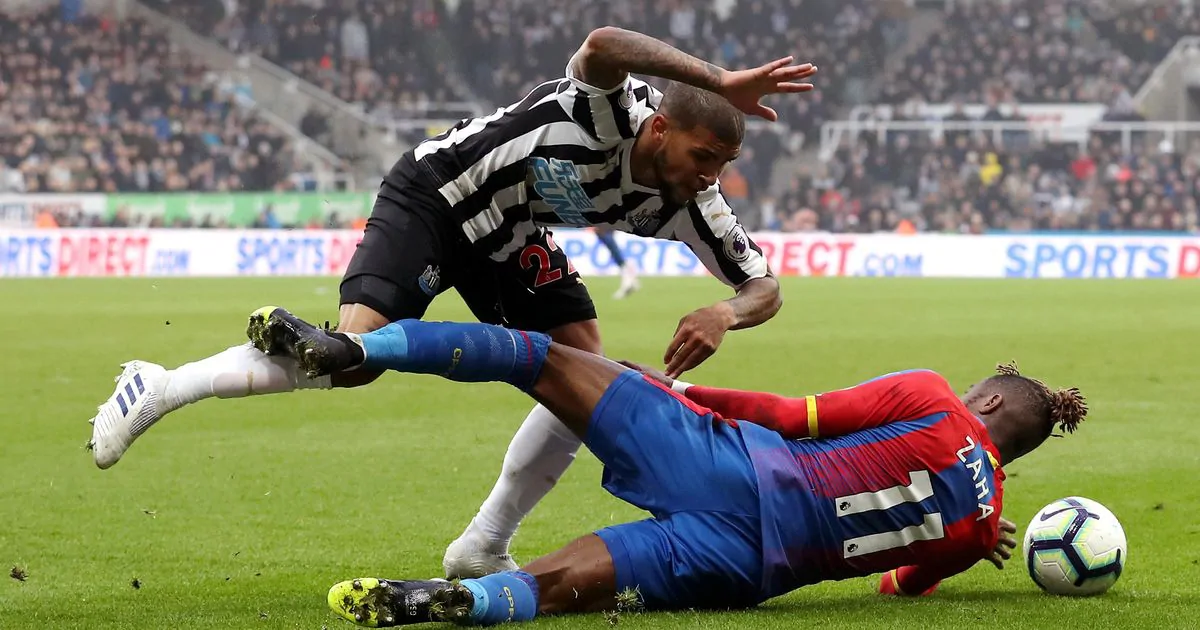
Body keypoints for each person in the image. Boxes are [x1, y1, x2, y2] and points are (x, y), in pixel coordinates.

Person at [86, 27, 818, 579]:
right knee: (354, 359)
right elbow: (602, 44)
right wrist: (720, 78)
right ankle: (161, 385)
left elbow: (765, 287)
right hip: (437, 193)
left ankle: (483, 546)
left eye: (724, 164)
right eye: (703, 157)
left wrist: (724, 312)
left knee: (584, 377)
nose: (711, 176)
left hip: (509, 232)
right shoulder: (612, 111)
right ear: (660, 128)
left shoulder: (694, 202)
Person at [244, 306, 1088, 627]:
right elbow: (899, 588)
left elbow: (790, 416)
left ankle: (353, 347)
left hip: (734, 470)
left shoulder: (935, 400)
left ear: (985, 403)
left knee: (538, 357)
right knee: (566, 585)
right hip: (751, 569)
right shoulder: (979, 527)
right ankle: (465, 601)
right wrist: (974, 538)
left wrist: (677, 393)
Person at [592, 225, 640, 299]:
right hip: (602, 229)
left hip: (604, 229)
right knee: (614, 253)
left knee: (615, 253)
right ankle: (632, 280)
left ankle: (629, 280)